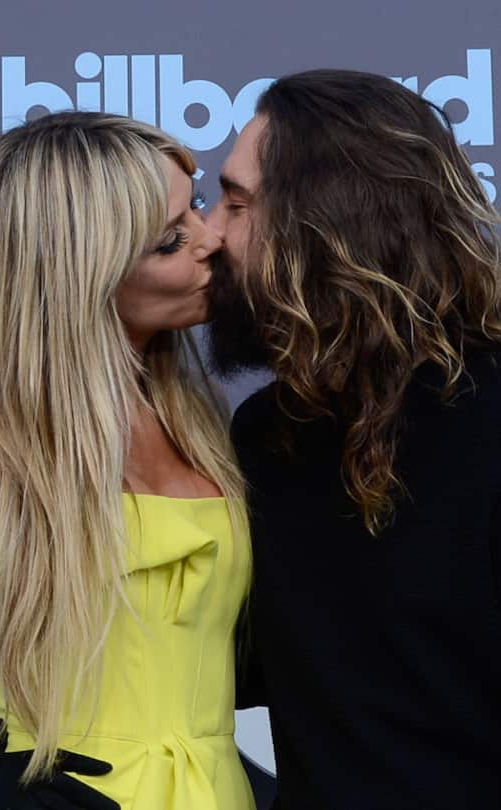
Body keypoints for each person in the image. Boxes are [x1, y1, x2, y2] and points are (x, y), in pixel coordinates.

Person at [205, 70, 501, 809]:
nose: (209, 233)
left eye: (237, 203)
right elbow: (222, 661)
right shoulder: (270, 432)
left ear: (324, 220)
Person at [0, 111, 255, 810]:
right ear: (75, 272)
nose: (211, 240)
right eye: (167, 241)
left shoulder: (202, 416)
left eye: (200, 210)